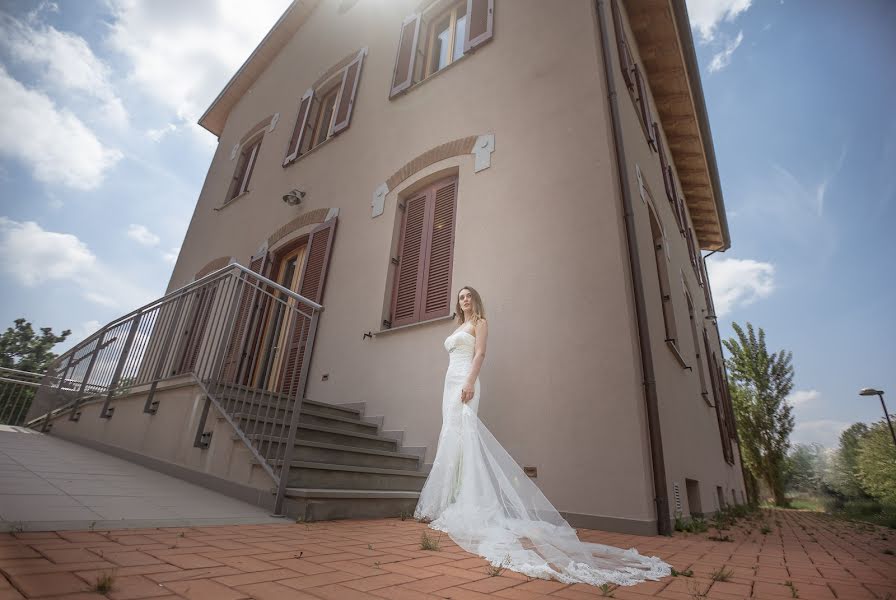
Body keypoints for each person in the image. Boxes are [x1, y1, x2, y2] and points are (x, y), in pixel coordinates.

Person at [413, 286, 672, 586]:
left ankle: (465, 503)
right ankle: (448, 502)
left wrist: (470, 381)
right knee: (451, 438)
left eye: (469, 295)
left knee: (466, 436)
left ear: (476, 300)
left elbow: (481, 353)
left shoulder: (480, 323)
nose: (465, 300)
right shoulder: (458, 325)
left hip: (466, 381)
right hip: (449, 384)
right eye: (461, 297)